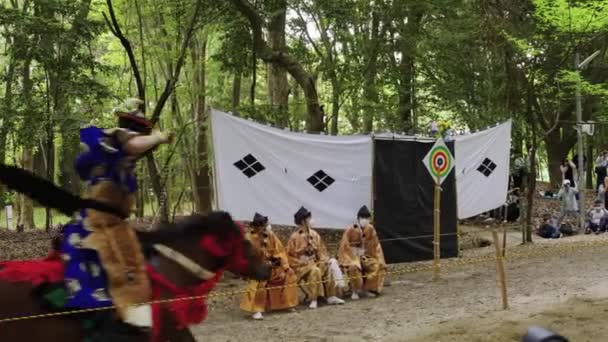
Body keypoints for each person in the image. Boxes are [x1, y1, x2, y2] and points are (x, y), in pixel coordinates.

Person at [60, 98, 172, 338]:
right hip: (95, 226)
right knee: (116, 272)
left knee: (140, 264)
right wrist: (160, 137)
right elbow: (133, 145)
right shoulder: (110, 150)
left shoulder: (122, 161)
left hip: (116, 227)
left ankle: (137, 322)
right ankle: (107, 327)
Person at [240, 213, 298, 320]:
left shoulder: (270, 235)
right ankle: (257, 310)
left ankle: (287, 304)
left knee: (289, 275)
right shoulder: (248, 239)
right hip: (256, 269)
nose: (267, 227)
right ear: (258, 227)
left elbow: (280, 251)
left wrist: (285, 267)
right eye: (264, 225)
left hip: (272, 267)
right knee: (259, 280)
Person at [286, 207, 346, 309]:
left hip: (315, 261)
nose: (310, 220)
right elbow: (289, 256)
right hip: (302, 265)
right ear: (303, 221)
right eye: (308, 218)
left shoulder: (314, 234)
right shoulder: (294, 237)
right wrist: (302, 262)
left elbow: (322, 251)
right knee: (315, 271)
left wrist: (324, 260)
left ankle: (331, 295)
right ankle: (314, 298)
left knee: (330, 264)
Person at [337, 205, 386, 300]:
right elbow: (344, 247)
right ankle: (355, 290)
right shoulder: (351, 229)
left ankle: (368, 288)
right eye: (363, 218)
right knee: (354, 267)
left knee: (377, 265)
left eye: (367, 218)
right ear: (358, 218)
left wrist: (379, 258)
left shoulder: (370, 228)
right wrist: (351, 258)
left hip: (365, 256)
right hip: (352, 256)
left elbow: (376, 245)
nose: (365, 220)